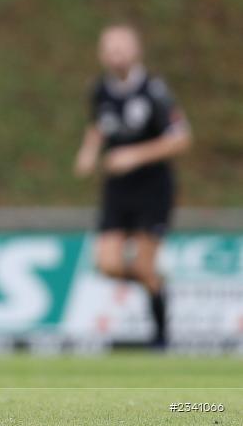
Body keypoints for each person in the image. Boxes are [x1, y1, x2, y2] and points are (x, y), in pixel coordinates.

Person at [74, 24, 191, 348]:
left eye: (121, 48)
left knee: (142, 264)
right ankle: (155, 284)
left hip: (153, 187)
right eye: (109, 49)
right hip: (117, 188)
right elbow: (97, 126)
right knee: (108, 264)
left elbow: (181, 139)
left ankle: (160, 335)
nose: (115, 55)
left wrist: (134, 155)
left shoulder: (155, 90)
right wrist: (88, 153)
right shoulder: (100, 89)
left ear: (136, 50)